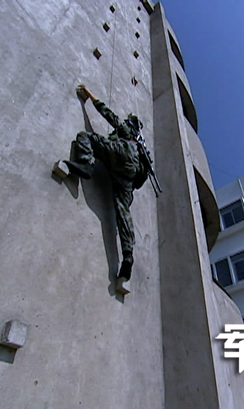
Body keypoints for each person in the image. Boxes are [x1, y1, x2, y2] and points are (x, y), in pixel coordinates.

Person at [65, 84, 146, 295]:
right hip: (129, 173)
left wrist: (89, 95)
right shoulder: (140, 147)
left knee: (86, 137)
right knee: (123, 213)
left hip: (121, 153)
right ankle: (127, 258)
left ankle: (85, 165)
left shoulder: (126, 131)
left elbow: (109, 115)